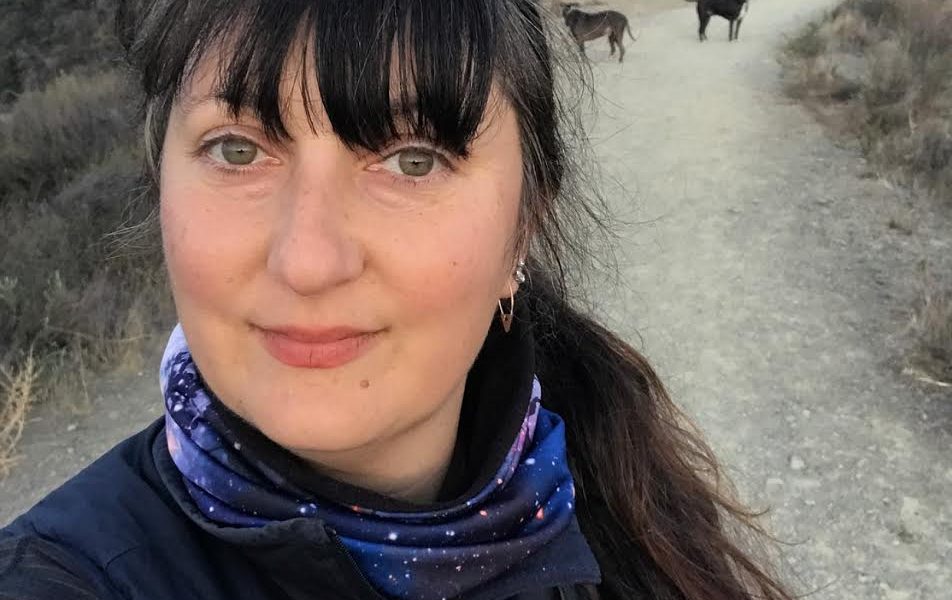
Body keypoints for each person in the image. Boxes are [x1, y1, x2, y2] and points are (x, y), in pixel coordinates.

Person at [0, 1, 794, 599]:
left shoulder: (631, 522)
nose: (309, 261)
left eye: (413, 160)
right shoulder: (59, 576)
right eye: (236, 149)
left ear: (523, 227)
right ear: (160, 190)